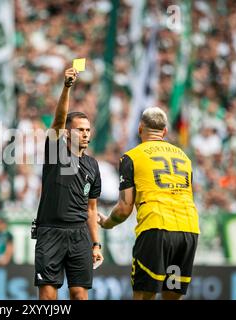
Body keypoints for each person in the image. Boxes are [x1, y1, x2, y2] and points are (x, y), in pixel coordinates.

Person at [98, 107, 200, 300]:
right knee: (172, 295)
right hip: (189, 230)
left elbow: (124, 209)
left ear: (140, 128)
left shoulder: (131, 157)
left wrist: (107, 223)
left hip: (156, 228)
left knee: (144, 295)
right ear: (165, 131)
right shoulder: (184, 158)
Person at [34, 67, 103, 300]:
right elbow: (58, 122)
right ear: (66, 134)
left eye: (87, 130)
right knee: (47, 294)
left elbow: (91, 209)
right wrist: (66, 87)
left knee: (79, 294)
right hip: (50, 232)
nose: (84, 134)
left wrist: (96, 244)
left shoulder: (93, 165)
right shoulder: (56, 153)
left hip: (79, 235)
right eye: (79, 130)